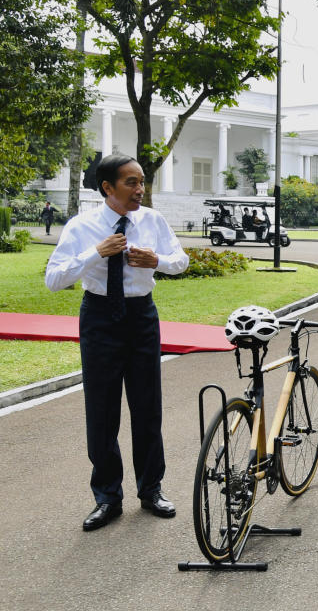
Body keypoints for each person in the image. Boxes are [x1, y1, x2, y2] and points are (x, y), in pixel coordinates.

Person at [45, 153, 189, 531]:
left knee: (147, 408)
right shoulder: (82, 226)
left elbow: (181, 261)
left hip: (142, 317)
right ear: (107, 187)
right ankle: (107, 498)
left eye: (142, 181)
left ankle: (151, 490)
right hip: (99, 318)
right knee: (102, 410)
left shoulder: (152, 221)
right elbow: (54, 279)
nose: (140, 189)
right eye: (131, 182)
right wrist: (95, 253)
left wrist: (156, 260)